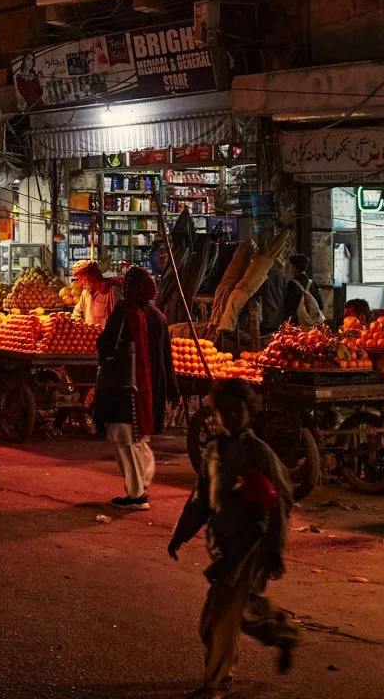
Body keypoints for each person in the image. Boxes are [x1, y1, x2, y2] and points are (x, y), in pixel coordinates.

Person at [169, 379, 299, 698]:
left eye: (236, 409)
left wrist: (275, 551)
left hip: (250, 545)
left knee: (222, 617)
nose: (230, 415)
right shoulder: (214, 448)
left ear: (250, 412)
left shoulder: (259, 452)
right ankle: (283, 631)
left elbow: (280, 502)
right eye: (224, 410)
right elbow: (201, 497)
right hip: (223, 543)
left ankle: (217, 682)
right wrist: (181, 534)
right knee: (234, 613)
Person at [96, 266, 175, 510]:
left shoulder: (124, 314)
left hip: (126, 388)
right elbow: (166, 357)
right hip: (151, 390)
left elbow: (106, 344)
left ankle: (136, 493)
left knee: (124, 439)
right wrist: (172, 390)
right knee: (138, 439)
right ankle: (141, 482)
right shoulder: (159, 317)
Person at [71, 259, 119, 326]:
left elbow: (121, 318)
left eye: (82, 279)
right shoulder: (85, 293)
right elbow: (77, 310)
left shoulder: (112, 291)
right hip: (89, 335)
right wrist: (78, 323)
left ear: (91, 277)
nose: (81, 283)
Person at [284, 254, 324, 327]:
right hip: (312, 325)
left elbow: (289, 307)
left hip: (297, 325)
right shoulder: (312, 283)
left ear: (294, 267)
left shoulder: (291, 285)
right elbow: (320, 305)